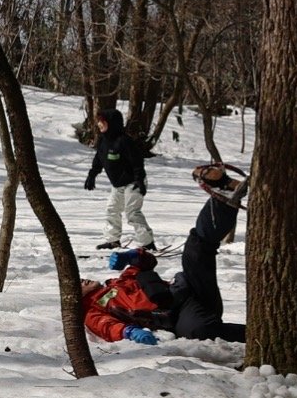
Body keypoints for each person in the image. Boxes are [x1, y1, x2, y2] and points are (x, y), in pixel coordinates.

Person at [166, 163, 248, 343]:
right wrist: (130, 331)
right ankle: (269, 337)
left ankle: (224, 194)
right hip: (179, 315)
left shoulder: (113, 288)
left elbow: (143, 271)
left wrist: (133, 258)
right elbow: (111, 327)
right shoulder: (102, 310)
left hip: (182, 293)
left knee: (197, 250)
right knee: (201, 331)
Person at [84, 106, 153, 250]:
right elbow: (99, 158)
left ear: (111, 123)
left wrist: (139, 179)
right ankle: (113, 241)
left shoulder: (124, 141)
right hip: (118, 184)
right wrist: (92, 174)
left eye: (102, 122)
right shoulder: (103, 141)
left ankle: (147, 243)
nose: (99, 124)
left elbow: (137, 161)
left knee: (132, 212)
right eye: (99, 122)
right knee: (112, 210)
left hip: (134, 182)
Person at [80, 263, 166, 346]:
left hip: (169, 290)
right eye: (78, 284)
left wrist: (133, 257)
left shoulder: (114, 283)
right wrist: (128, 332)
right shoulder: (93, 308)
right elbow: (106, 326)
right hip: (163, 312)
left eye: (79, 279)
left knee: (144, 276)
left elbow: (145, 264)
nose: (82, 280)